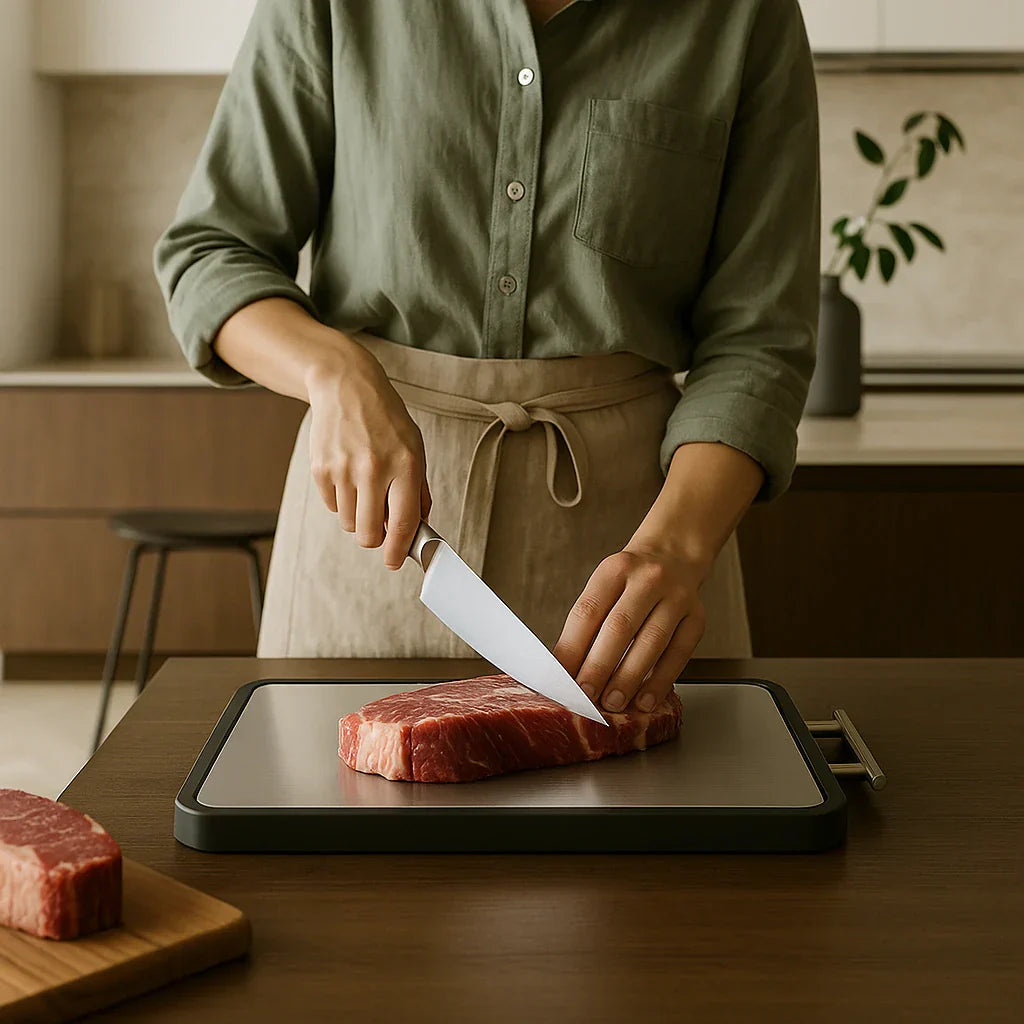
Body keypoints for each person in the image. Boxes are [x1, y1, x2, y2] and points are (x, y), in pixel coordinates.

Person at [154, 0, 819, 716]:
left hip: (631, 558)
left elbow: (760, 336)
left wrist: (679, 548)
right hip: (374, 547)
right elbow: (211, 255)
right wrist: (335, 372)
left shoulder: (745, 15)